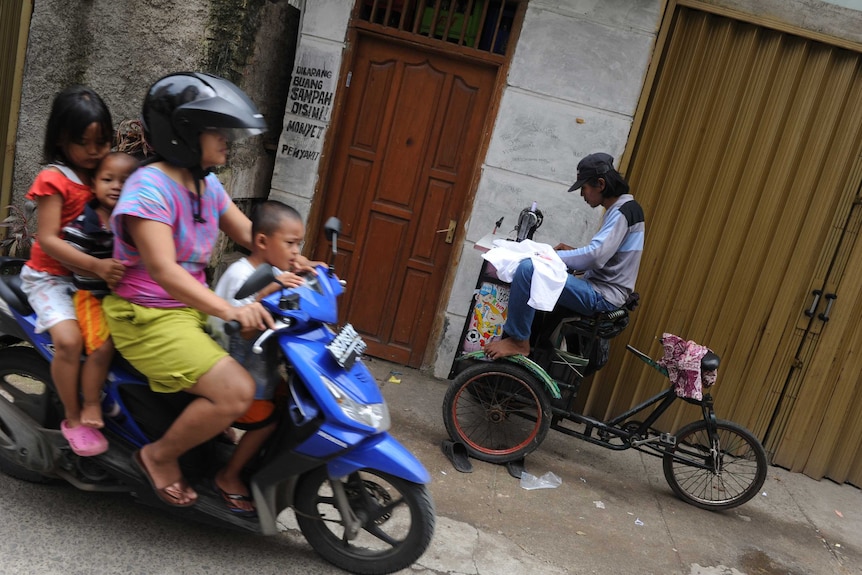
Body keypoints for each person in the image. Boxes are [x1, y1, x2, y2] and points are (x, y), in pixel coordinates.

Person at [101, 72, 274, 508]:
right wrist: (231, 310)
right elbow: (163, 270)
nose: (228, 141)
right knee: (236, 391)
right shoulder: (149, 188)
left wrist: (298, 261)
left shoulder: (206, 184)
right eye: (218, 130)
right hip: (147, 316)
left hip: (189, 312)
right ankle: (158, 456)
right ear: (184, 132)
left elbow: (253, 236)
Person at [20, 86, 126, 457]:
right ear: (62, 140)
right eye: (85, 142)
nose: (95, 151)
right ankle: (74, 415)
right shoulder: (56, 179)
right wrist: (97, 265)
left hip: (92, 281)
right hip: (52, 278)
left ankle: (105, 395)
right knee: (69, 341)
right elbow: (48, 240)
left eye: (103, 141)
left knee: (122, 335)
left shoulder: (110, 174)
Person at [484, 152, 645, 360]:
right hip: (600, 289)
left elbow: (596, 256)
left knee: (528, 269)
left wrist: (551, 255)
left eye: (584, 188)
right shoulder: (622, 209)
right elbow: (608, 256)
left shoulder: (623, 212)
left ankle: (518, 340)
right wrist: (572, 252)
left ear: (601, 184)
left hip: (602, 296)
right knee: (537, 269)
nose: (582, 195)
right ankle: (532, 344)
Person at [208, 200, 310, 515]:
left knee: (290, 401)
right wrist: (268, 293)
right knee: (266, 420)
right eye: (290, 244)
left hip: (260, 367)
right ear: (263, 242)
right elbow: (240, 330)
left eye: (299, 244)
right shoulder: (241, 274)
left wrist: (312, 272)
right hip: (234, 364)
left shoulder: (276, 269)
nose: (296, 251)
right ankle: (228, 476)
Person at [63, 151, 139, 430]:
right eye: (108, 179)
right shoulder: (86, 223)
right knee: (103, 347)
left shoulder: (135, 223)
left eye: (125, 181)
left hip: (121, 298)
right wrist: (97, 268)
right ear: (94, 184)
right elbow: (69, 259)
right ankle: (92, 401)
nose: (116, 186)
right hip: (90, 297)